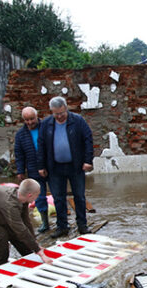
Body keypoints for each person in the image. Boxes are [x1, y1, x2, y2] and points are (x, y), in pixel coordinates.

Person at [37, 96, 94, 238]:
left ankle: (82, 225)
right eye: (56, 114)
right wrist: (41, 166)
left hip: (75, 166)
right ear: (52, 112)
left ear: (66, 108)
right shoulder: (46, 124)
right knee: (58, 198)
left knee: (79, 196)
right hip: (54, 167)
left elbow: (88, 140)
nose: (60, 116)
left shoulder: (77, 121)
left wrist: (88, 160)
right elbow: (41, 145)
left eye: (62, 113)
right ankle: (62, 226)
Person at [14, 107, 50, 233]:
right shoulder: (20, 135)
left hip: (50, 166)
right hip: (33, 169)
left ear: (37, 116)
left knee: (58, 194)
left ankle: (62, 223)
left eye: (32, 119)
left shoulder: (46, 128)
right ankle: (45, 222)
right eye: (26, 120)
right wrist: (20, 171)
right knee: (39, 196)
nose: (30, 122)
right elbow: (19, 154)